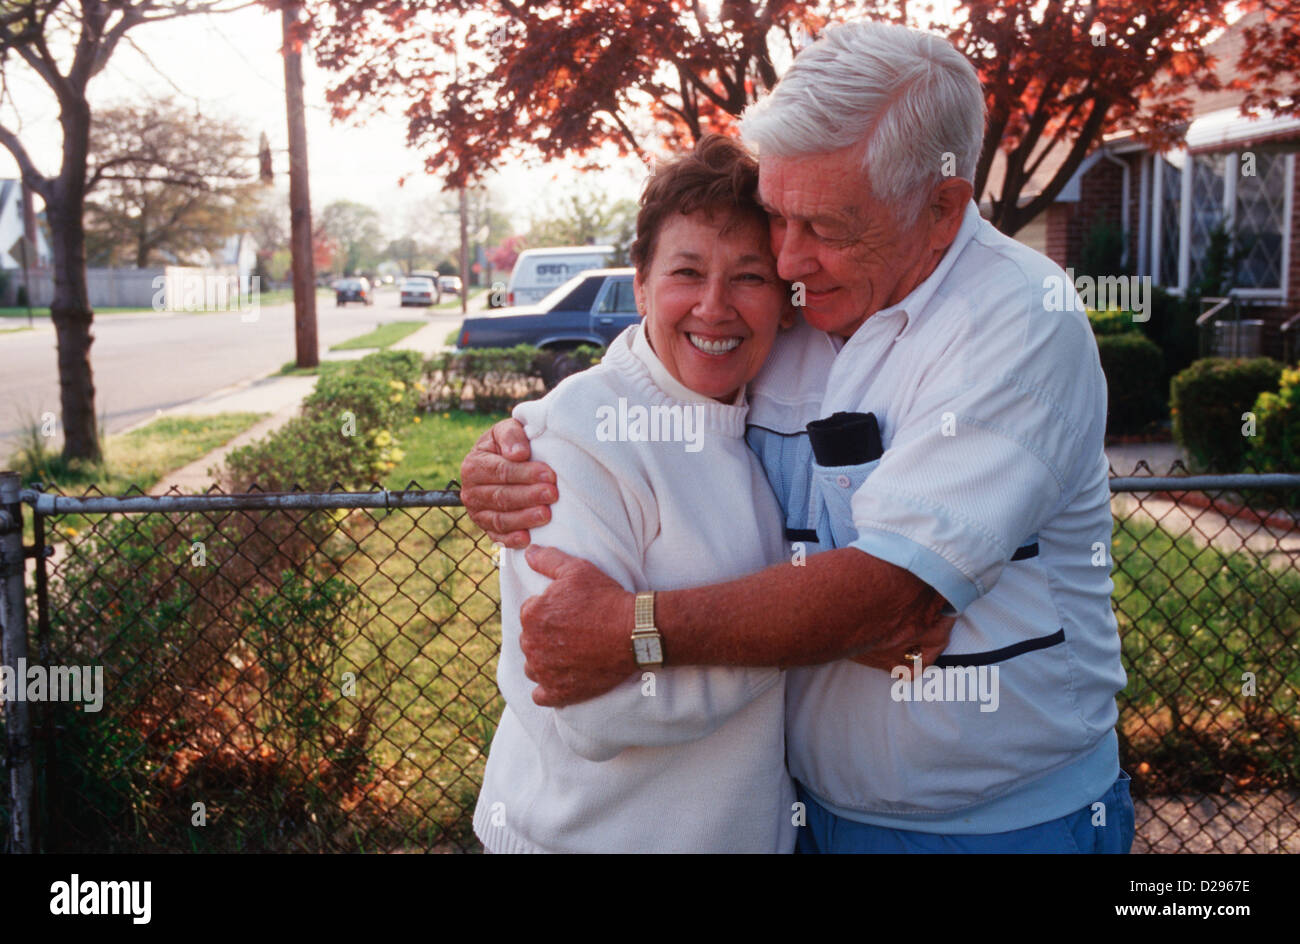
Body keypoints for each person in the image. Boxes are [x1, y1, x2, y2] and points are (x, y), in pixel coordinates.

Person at [462, 21, 1135, 854]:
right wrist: (529, 438)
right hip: (801, 817)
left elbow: (893, 597)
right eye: (778, 218)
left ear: (940, 209)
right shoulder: (807, 313)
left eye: (824, 228)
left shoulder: (1016, 322)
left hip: (998, 827)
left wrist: (637, 630)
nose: (784, 262)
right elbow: (662, 372)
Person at [473, 135, 799, 853]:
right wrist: (817, 634)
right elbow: (597, 711)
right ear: (642, 284)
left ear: (784, 298)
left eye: (749, 277)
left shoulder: (770, 409)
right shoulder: (575, 437)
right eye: (688, 272)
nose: (715, 307)